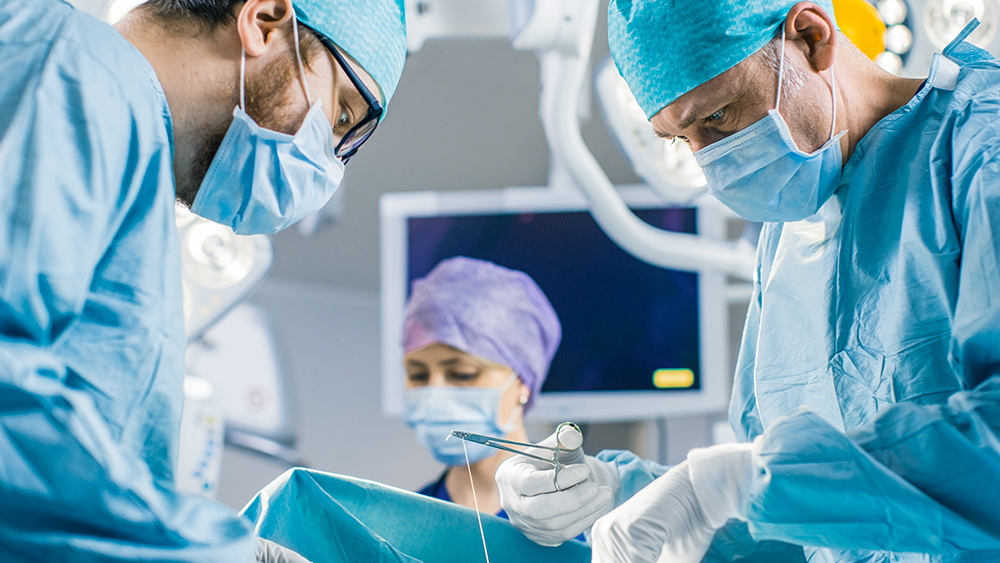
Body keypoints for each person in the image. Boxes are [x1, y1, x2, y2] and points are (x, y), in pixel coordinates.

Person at [495, 1, 1000, 562]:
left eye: (718, 116)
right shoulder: (790, 240)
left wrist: (735, 485)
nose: (711, 165)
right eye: (678, 139)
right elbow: (792, 531)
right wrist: (619, 494)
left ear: (811, 37)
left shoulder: (982, 150)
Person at [0, 0, 404, 561]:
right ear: (264, 22)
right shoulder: (77, 73)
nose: (329, 164)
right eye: (340, 115)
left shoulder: (134, 166)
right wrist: (212, 551)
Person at [400, 257, 566, 519]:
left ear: (521, 382)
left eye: (462, 374)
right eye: (418, 375)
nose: (435, 394)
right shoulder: (405, 522)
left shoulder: (579, 518)